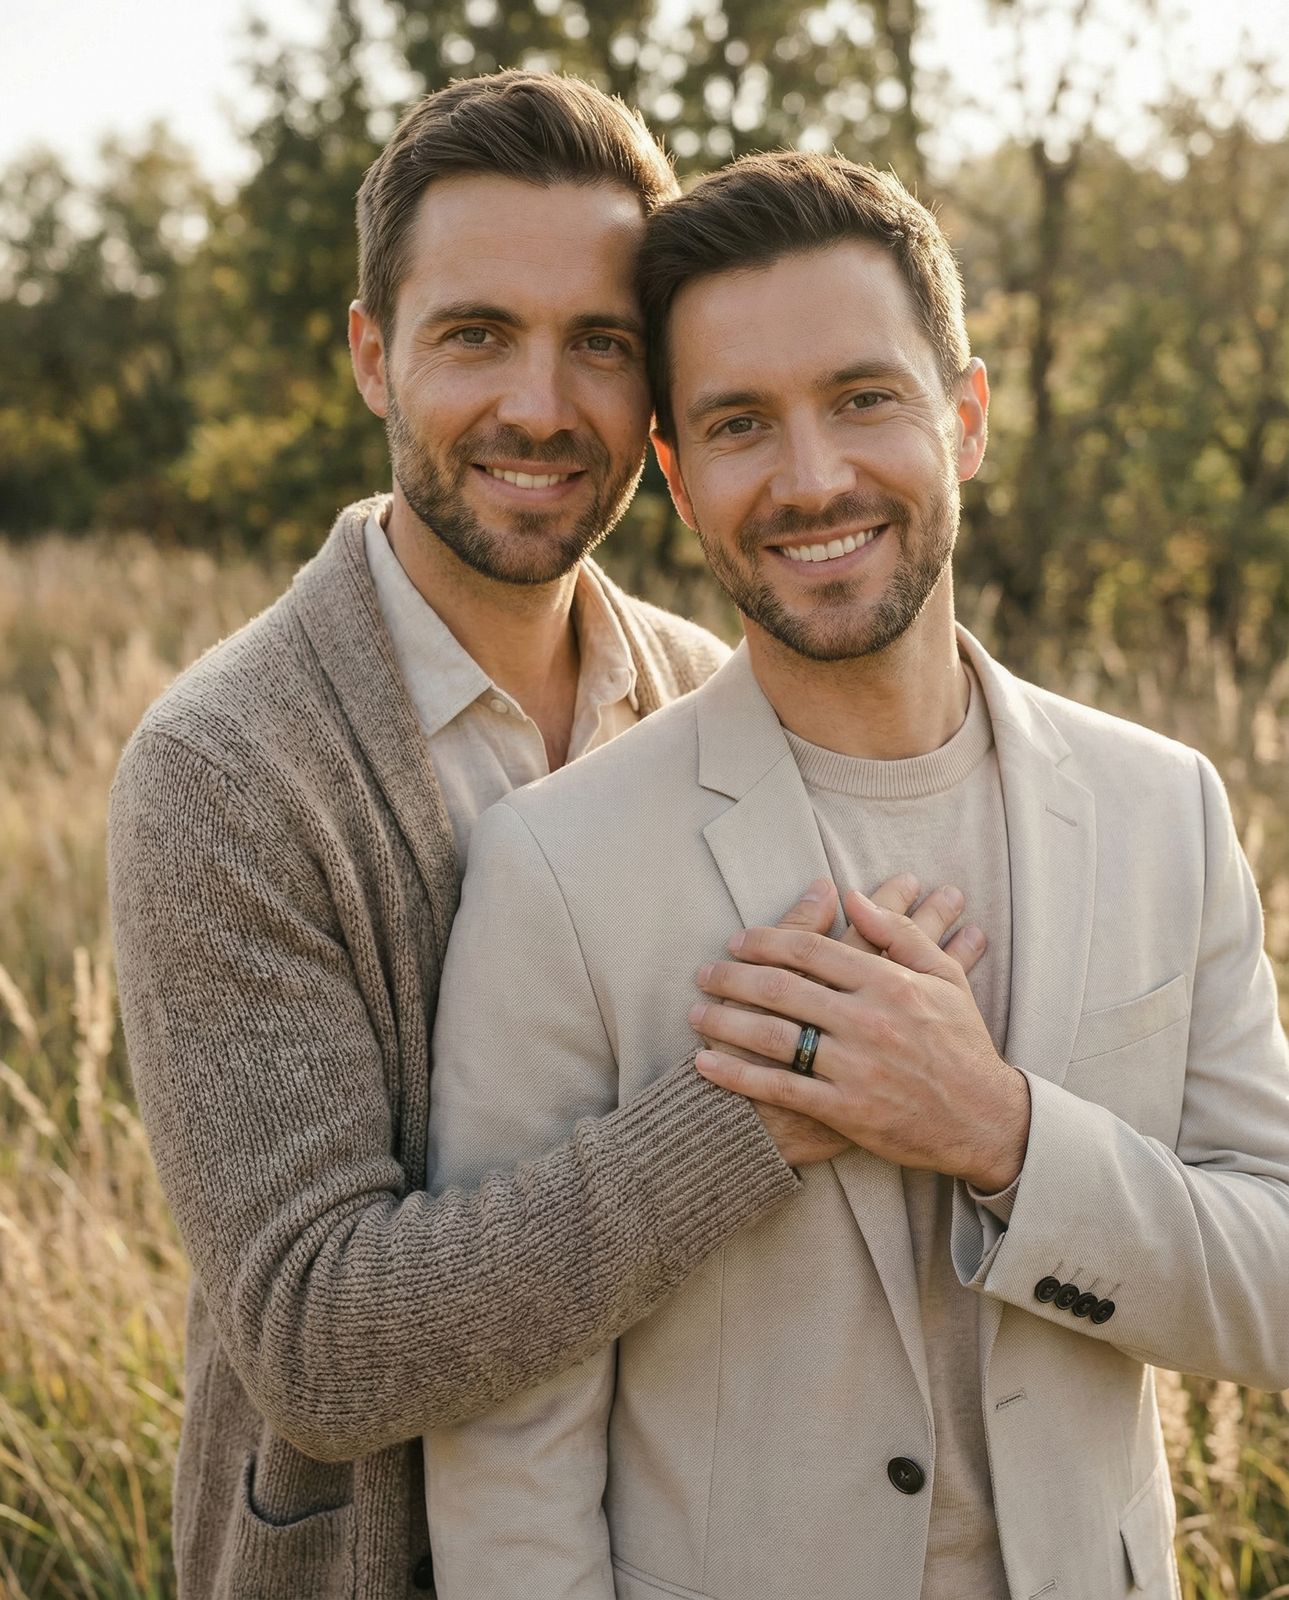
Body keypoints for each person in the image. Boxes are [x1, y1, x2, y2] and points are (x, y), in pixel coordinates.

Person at [107, 77, 978, 1600]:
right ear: (372, 354)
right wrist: (761, 1112)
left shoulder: (718, 697)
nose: (538, 403)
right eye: (473, 335)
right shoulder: (225, 771)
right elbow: (319, 1343)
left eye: (597, 344)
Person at [424, 151, 1289, 1600]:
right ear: (677, 478)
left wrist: (1002, 1132)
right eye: (740, 425)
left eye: (862, 398)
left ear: (964, 417)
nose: (812, 477)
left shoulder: (1164, 807)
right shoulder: (553, 869)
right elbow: (512, 1442)